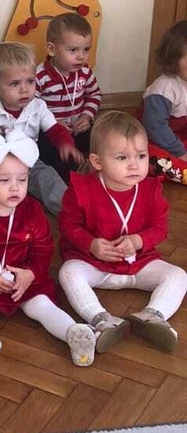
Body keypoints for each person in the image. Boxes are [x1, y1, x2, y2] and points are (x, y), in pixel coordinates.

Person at [0, 131, 96, 367]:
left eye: (22, 180)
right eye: (4, 180)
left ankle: (74, 334)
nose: (15, 188)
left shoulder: (32, 209)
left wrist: (30, 273)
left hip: (22, 275)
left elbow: (43, 247)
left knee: (41, 305)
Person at [58, 111, 186, 353]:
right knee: (68, 272)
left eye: (141, 156)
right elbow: (67, 225)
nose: (134, 165)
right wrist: (91, 244)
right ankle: (101, 320)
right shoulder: (81, 189)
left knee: (179, 276)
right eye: (122, 157)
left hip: (140, 262)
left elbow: (160, 229)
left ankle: (153, 316)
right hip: (95, 263)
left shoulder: (151, 190)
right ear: (97, 162)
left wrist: (138, 240)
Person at [0, 42, 81, 215]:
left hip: (28, 160)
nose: (24, 89)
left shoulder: (38, 105)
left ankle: (71, 212)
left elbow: (55, 130)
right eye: (14, 84)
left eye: (30, 81)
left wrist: (66, 143)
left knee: (48, 176)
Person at [35, 12, 102, 180]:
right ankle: (73, 178)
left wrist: (86, 117)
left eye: (86, 49)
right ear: (52, 49)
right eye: (73, 50)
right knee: (58, 157)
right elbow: (32, 108)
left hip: (80, 128)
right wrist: (53, 123)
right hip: (53, 132)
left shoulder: (85, 72)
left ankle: (100, 170)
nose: (81, 56)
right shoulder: (40, 76)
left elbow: (94, 94)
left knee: (103, 139)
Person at [141, 20, 187, 184]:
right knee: (154, 159)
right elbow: (155, 127)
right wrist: (181, 153)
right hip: (153, 140)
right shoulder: (164, 88)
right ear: (173, 60)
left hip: (178, 139)